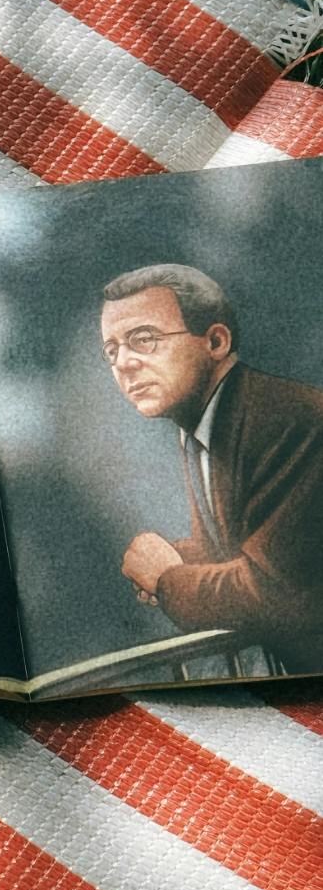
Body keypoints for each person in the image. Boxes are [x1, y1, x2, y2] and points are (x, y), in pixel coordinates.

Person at [100, 262, 323, 676]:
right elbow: (251, 543)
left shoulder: (289, 419)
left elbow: (275, 593)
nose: (124, 364)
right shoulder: (207, 421)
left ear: (216, 341)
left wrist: (167, 579)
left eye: (143, 339)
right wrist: (180, 557)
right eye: (111, 351)